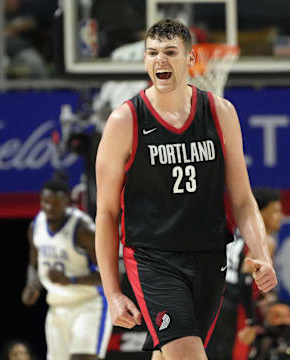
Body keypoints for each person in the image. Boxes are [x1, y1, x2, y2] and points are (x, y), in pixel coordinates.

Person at [95, 18, 277, 360]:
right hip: (153, 257)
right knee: (187, 355)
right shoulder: (125, 121)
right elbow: (106, 212)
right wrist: (112, 291)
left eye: (169, 52)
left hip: (209, 254)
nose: (159, 61)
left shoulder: (221, 113)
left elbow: (242, 199)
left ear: (190, 59)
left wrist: (262, 255)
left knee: (168, 354)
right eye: (152, 53)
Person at [21, 176, 112, 360]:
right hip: (56, 306)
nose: (49, 207)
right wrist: (31, 285)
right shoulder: (36, 225)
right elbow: (33, 264)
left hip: (88, 304)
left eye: (56, 202)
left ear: (68, 202)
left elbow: (110, 274)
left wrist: (70, 280)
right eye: (45, 202)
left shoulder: (83, 229)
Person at [206, 187, 283, 360]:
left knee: (221, 352)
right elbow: (245, 279)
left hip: (221, 300)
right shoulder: (265, 241)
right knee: (238, 354)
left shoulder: (241, 234)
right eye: (275, 211)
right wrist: (250, 317)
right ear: (261, 213)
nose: (280, 216)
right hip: (237, 304)